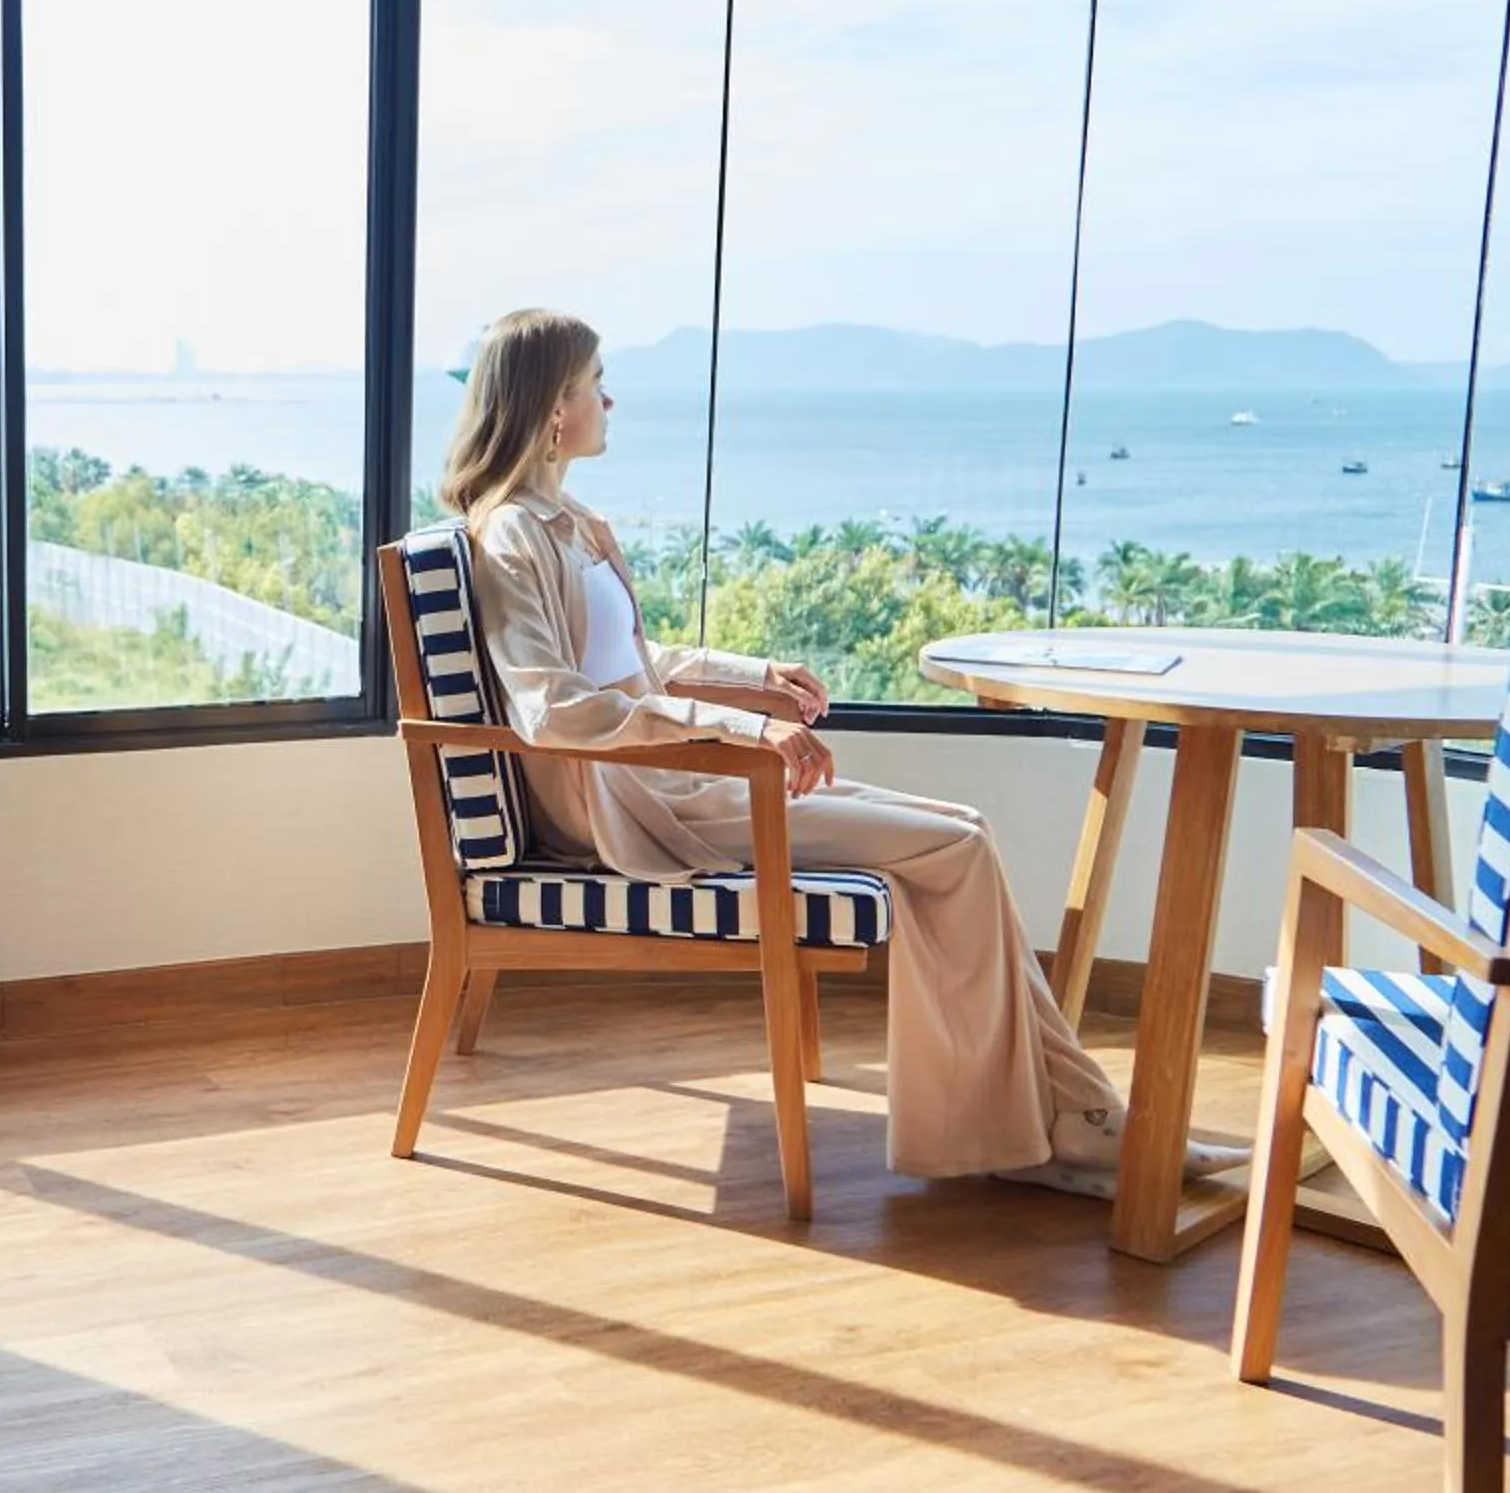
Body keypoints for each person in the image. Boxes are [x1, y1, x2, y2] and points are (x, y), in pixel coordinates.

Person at [445, 307, 1246, 1184]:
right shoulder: (513, 534)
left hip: (682, 781)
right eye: (596, 383)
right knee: (953, 848)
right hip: (641, 807)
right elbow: (554, 708)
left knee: (962, 829)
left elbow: (633, 664)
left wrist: (755, 676)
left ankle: (1071, 1117)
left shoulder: (571, 522)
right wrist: (742, 726)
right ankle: (1028, 1129)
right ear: (552, 409)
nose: (610, 400)